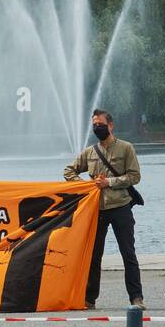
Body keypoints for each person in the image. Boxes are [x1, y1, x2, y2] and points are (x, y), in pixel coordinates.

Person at [63, 109, 143, 309]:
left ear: (111, 125)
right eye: (94, 125)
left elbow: (135, 177)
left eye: (100, 124)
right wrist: (85, 185)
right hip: (96, 210)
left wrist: (110, 182)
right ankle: (89, 299)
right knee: (93, 255)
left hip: (121, 207)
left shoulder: (126, 148)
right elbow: (68, 171)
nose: (97, 127)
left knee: (128, 254)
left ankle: (136, 298)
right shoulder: (89, 152)